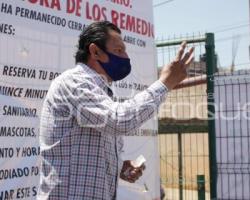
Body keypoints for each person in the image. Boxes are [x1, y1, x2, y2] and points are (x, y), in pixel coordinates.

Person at [38, 21, 194, 200]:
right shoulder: (74, 82)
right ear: (95, 51)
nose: (126, 57)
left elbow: (90, 146)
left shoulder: (101, 92)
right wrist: (165, 83)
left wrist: (120, 166)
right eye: (119, 50)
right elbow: (119, 120)